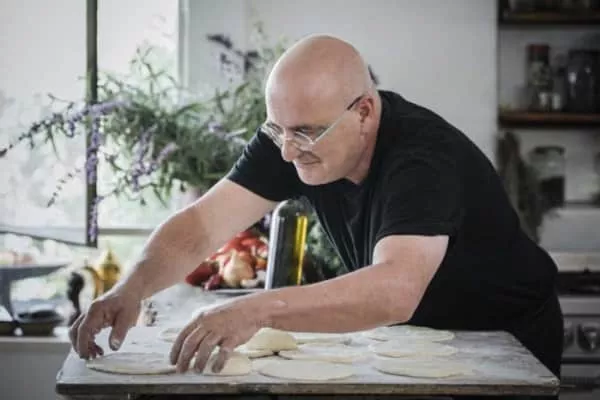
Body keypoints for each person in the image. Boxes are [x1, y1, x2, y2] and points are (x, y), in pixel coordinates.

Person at [69, 35, 562, 399]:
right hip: (421, 337)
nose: (286, 151)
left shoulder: (423, 159)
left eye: (304, 133)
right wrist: (131, 288)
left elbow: (395, 289)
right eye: (276, 129)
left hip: (502, 340)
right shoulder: (291, 135)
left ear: (364, 112)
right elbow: (201, 225)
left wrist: (257, 310)